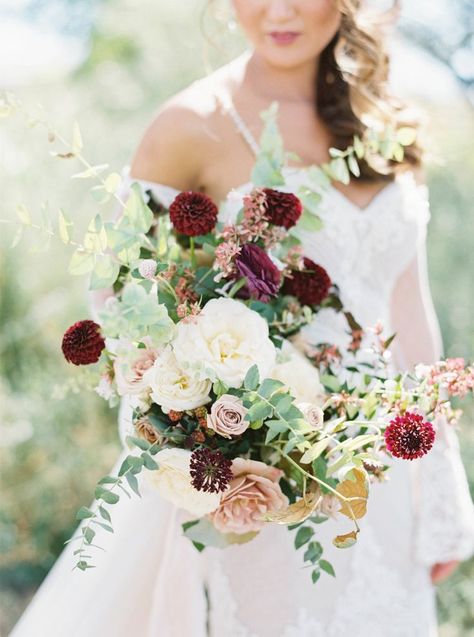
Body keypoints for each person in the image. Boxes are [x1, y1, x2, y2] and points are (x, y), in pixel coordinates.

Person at [10, 1, 474, 636]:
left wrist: (440, 490)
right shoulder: (190, 123)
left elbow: (410, 315)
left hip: (377, 471)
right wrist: (206, 414)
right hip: (257, 481)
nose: (277, 10)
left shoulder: (387, 122)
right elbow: (117, 301)